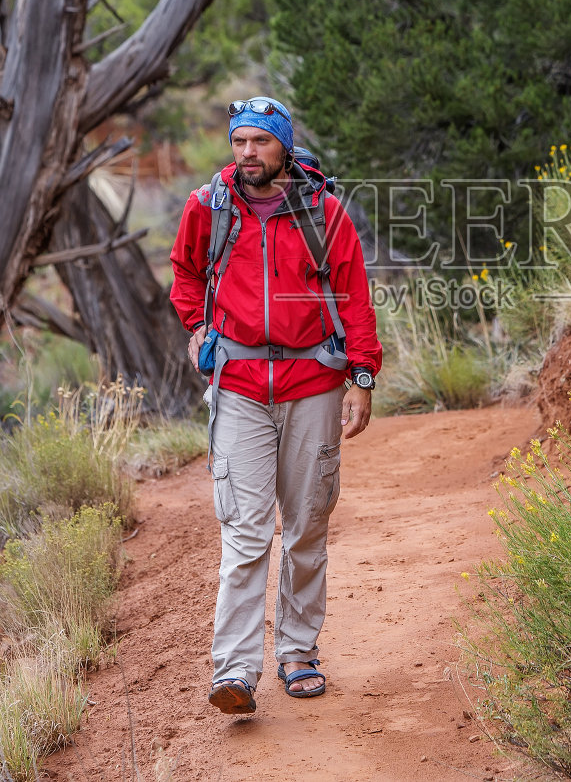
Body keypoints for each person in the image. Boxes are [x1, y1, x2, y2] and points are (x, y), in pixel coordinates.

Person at [169, 96, 382, 715]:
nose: (247, 153)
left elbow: (355, 297)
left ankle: (298, 652)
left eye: (260, 142)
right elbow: (185, 272)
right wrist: (196, 327)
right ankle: (234, 670)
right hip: (237, 384)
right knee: (245, 530)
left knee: (308, 524)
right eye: (238, 142)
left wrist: (362, 376)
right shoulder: (209, 206)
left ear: (283, 147)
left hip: (313, 382)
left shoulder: (325, 212)